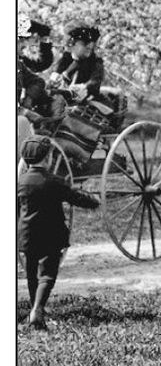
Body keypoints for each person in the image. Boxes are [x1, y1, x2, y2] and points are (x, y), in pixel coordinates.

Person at [17, 137, 101, 330]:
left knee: (31, 273)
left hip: (27, 236)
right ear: (47, 159)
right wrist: (94, 201)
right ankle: (38, 310)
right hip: (51, 235)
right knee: (47, 275)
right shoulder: (54, 181)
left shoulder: (19, 182)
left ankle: (34, 307)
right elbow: (75, 197)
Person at [49, 25, 106, 98]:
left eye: (90, 48)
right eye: (85, 45)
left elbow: (95, 80)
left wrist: (84, 86)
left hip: (85, 97)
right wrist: (56, 76)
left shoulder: (95, 61)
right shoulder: (67, 56)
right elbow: (58, 70)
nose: (88, 49)